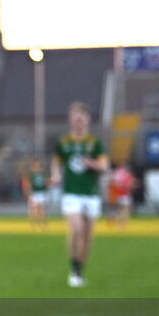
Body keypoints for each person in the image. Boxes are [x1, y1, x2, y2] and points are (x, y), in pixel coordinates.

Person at [51, 101, 108, 287]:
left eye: (82, 117)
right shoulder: (64, 143)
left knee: (88, 236)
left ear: (87, 121)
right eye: (76, 117)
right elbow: (56, 162)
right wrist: (57, 174)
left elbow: (105, 166)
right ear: (71, 120)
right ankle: (74, 269)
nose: (79, 121)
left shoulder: (94, 144)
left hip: (90, 194)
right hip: (72, 193)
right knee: (76, 230)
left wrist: (94, 165)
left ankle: (80, 269)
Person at [107, 161, 136, 230]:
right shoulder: (126, 173)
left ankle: (112, 219)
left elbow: (111, 183)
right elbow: (130, 183)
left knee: (116, 209)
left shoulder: (115, 173)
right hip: (125, 195)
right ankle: (122, 225)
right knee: (125, 210)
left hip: (116, 195)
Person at [21, 157, 48, 229]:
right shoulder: (31, 174)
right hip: (34, 193)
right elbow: (27, 184)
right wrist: (28, 193)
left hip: (42, 192)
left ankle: (43, 224)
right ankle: (34, 224)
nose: (37, 166)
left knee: (42, 209)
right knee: (34, 209)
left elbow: (46, 182)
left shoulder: (43, 174)